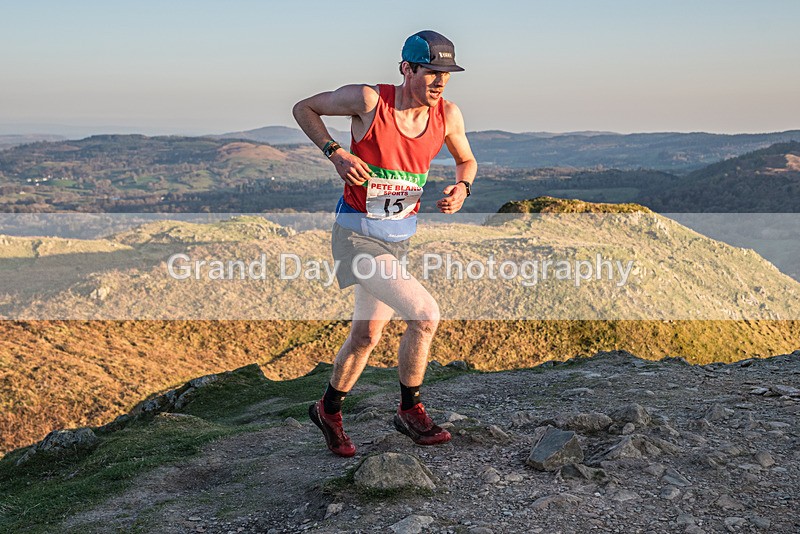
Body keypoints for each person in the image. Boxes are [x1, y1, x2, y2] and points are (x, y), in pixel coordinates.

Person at [292, 30, 477, 457]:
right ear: (406, 69)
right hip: (356, 237)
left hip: (396, 242)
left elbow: (466, 159)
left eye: (446, 75)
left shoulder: (447, 115)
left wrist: (462, 188)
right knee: (425, 314)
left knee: (365, 337)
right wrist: (335, 152)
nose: (440, 83)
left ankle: (328, 409)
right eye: (432, 73)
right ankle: (410, 410)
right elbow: (304, 108)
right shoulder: (369, 100)